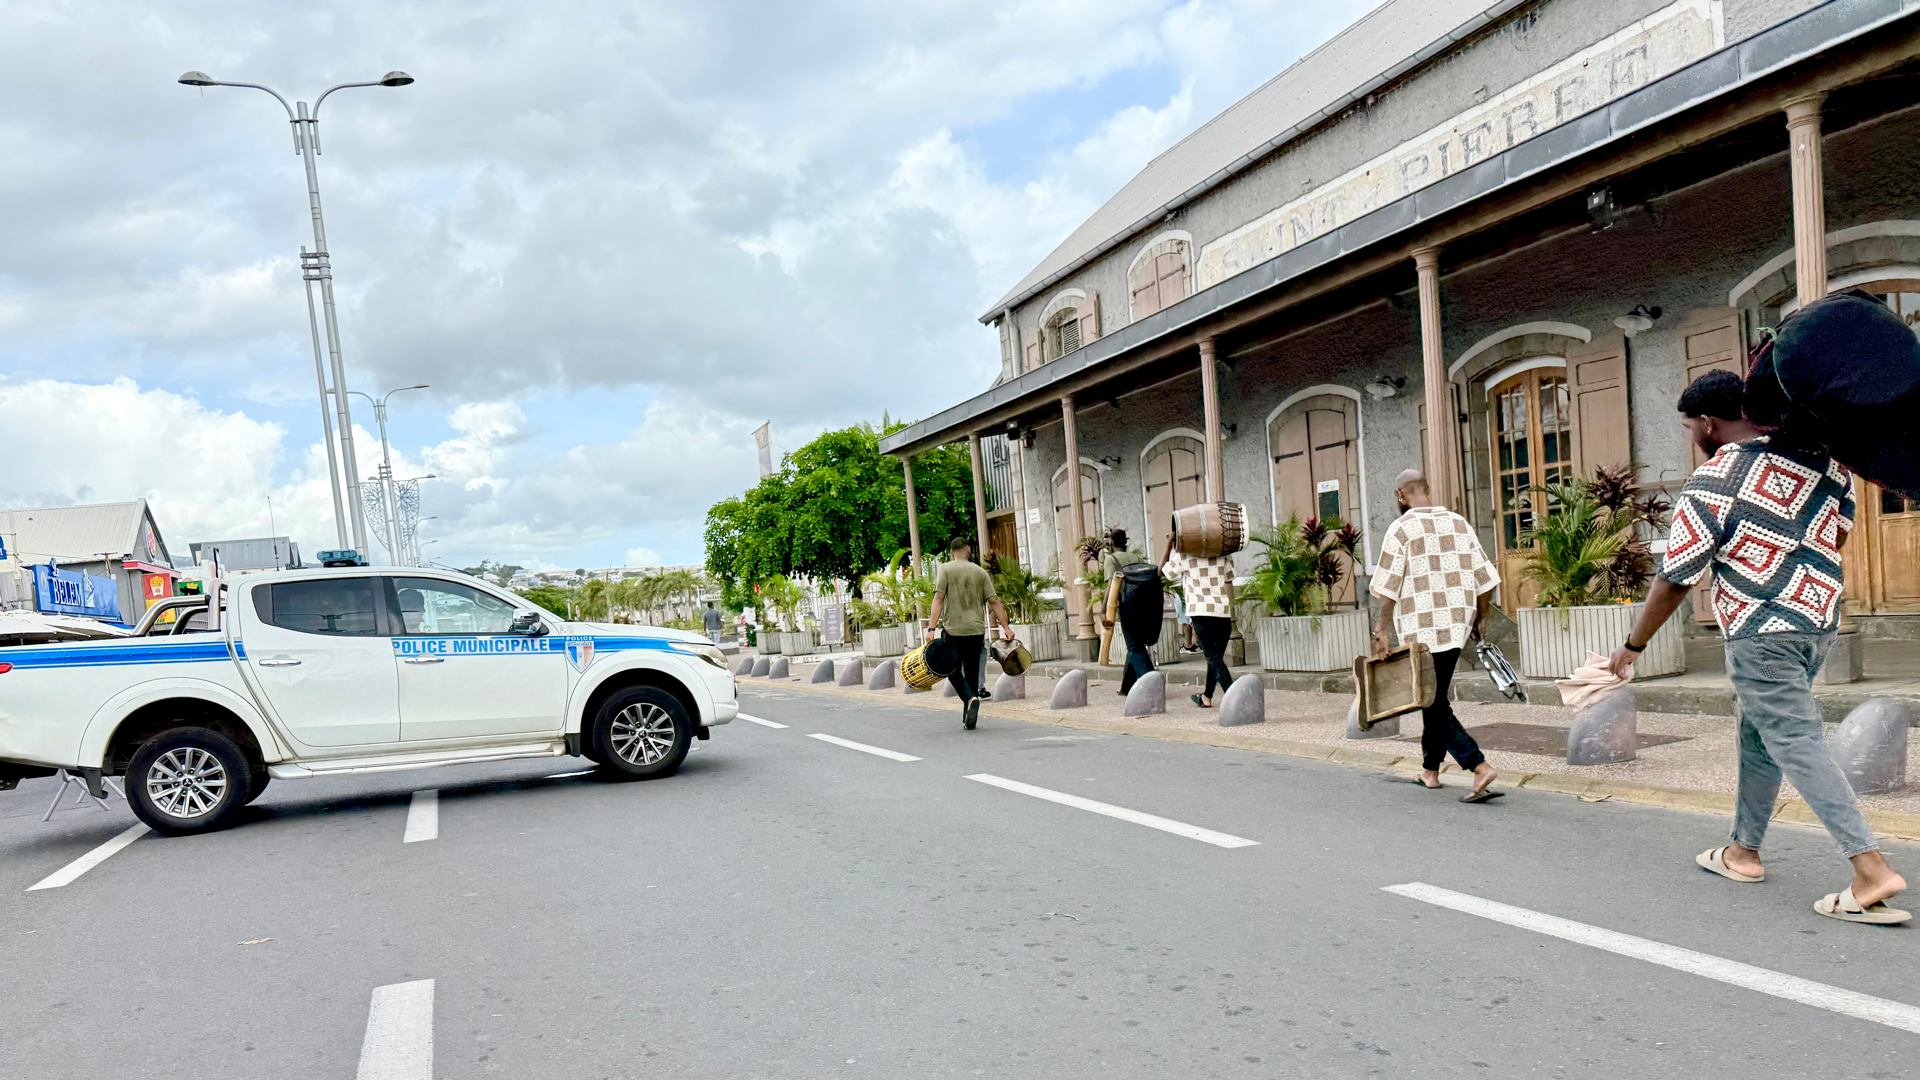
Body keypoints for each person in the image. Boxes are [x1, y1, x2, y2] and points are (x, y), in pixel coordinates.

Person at [1608, 370, 1907, 925]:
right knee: (1758, 732)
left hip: (1761, 630)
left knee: (1794, 738)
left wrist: (1633, 644)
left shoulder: (1712, 479)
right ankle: (1743, 851)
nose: (1692, 435)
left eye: (1688, 426)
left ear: (1707, 423)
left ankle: (1869, 868)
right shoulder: (1824, 462)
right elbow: (1836, 535)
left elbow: (1676, 577)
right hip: (1817, 624)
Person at [1371, 468, 1502, 803]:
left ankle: (1478, 765)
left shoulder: (1400, 529)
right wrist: (1480, 618)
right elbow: (1486, 579)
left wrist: (1380, 630)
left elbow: (1387, 587)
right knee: (1434, 695)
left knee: (1430, 698)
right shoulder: (1459, 524)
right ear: (1426, 489)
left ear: (1400, 496)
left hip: (1421, 629)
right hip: (1455, 626)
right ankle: (1430, 771)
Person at [927, 536, 1014, 730]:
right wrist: (1006, 627)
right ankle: (969, 715)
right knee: (973, 673)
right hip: (975, 630)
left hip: (953, 630)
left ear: (952, 553)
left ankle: (969, 698)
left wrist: (932, 628)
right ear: (968, 551)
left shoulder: (945, 569)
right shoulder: (980, 572)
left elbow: (938, 598)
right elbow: (994, 601)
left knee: (950, 669)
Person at [1162, 532, 1235, 708]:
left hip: (1201, 611)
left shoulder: (1184, 554)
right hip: (1222, 610)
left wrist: (1169, 546)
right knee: (1215, 658)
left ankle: (1235, 698)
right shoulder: (1223, 552)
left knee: (1213, 658)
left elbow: (1162, 572)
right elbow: (1229, 576)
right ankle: (1206, 697)